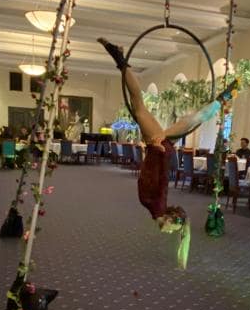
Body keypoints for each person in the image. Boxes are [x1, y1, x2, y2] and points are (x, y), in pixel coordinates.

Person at [98, 38, 238, 269]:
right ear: (171, 219)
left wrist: (156, 153)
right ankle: (120, 60)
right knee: (139, 107)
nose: (169, 231)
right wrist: (157, 150)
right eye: (174, 228)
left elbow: (150, 177)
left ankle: (221, 100)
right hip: (159, 148)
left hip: (160, 149)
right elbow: (158, 177)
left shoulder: (156, 208)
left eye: (173, 229)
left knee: (190, 119)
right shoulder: (158, 206)